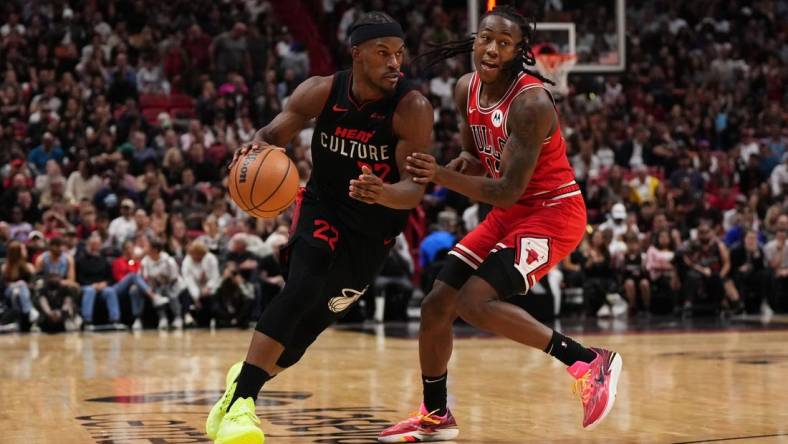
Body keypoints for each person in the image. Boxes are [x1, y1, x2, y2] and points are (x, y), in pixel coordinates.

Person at [379, 6, 622, 442]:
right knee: (436, 304)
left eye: (503, 43)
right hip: (509, 211)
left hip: (553, 211)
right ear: (476, 39)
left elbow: (507, 188)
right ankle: (435, 415)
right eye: (486, 38)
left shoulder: (530, 104)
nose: (492, 48)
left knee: (473, 302)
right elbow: (476, 157)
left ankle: (587, 360)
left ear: (516, 52)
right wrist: (457, 165)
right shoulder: (464, 89)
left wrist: (439, 174)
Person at [206, 12, 434, 444]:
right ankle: (240, 408)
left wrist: (382, 193)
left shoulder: (412, 108)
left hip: (373, 232)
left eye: (399, 53)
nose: (394, 63)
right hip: (323, 206)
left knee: (302, 336)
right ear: (357, 55)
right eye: (383, 53)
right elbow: (270, 135)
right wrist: (248, 160)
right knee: (302, 286)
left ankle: (240, 385)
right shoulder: (321, 91)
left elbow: (413, 190)